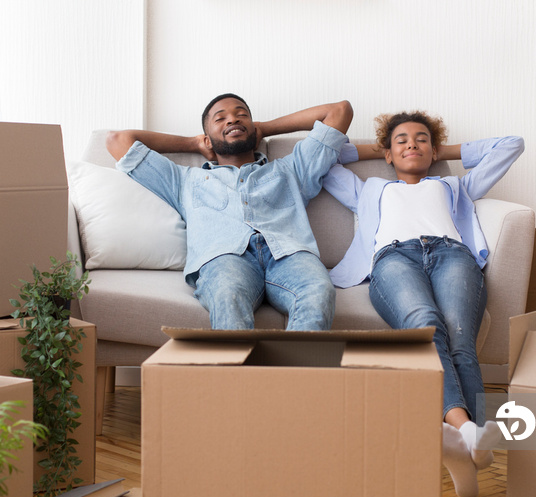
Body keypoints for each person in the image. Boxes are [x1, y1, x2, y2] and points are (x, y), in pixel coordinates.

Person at [323, 111, 524, 497]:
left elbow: (510, 145)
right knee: (426, 322)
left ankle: (464, 448)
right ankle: (469, 431)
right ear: (387, 153)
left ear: (433, 150)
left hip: (452, 255)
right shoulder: (368, 189)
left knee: (460, 337)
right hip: (394, 259)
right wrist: (381, 150)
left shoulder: (454, 186)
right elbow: (321, 157)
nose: (411, 145)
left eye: (420, 139)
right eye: (401, 140)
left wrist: (438, 149)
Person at [106, 94, 353, 331]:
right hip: (225, 259)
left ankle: (292, 376)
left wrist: (264, 128)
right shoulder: (184, 180)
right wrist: (193, 143)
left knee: (318, 289)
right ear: (207, 136)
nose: (233, 120)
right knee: (227, 294)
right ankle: (237, 375)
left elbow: (339, 111)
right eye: (220, 118)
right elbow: (118, 140)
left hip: (290, 254)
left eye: (241, 115)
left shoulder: (293, 169)